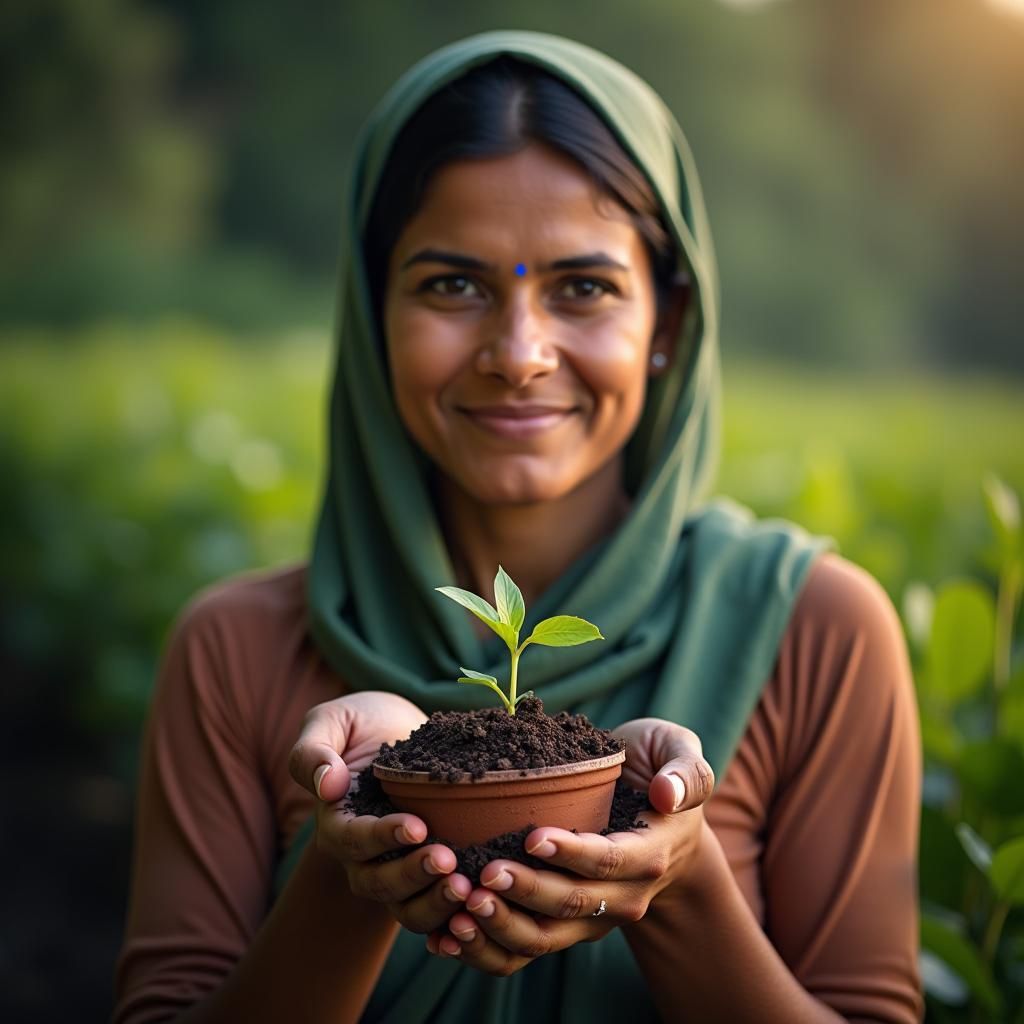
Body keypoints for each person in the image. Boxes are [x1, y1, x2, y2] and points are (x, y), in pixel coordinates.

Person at [112, 30, 923, 1024]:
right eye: (453, 285)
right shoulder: (235, 651)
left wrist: (680, 884)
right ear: (372, 312)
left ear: (667, 324)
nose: (519, 353)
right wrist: (357, 855)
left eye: (584, 288)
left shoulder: (814, 633)